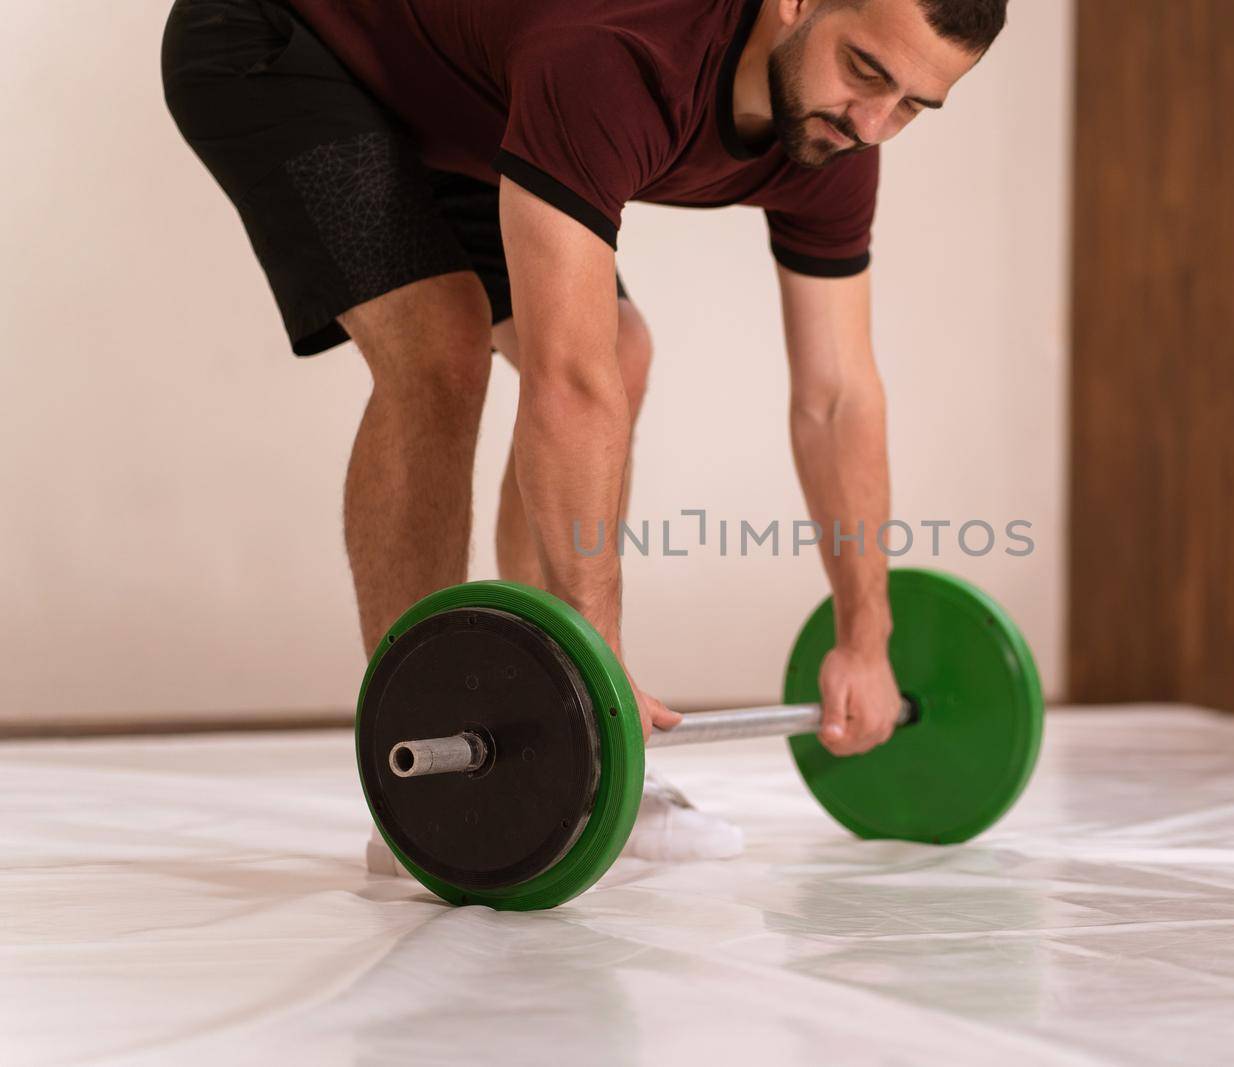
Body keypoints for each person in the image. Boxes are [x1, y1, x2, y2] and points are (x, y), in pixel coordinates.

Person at [161, 0, 1007, 862]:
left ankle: (543, 730)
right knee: (443, 345)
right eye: (864, 70)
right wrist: (595, 686)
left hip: (460, 101)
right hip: (287, 39)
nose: (873, 123)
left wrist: (866, 638)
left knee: (622, 351)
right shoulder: (619, 57)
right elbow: (568, 381)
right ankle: (424, 764)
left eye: (912, 105)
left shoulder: (834, 138)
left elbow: (838, 397)